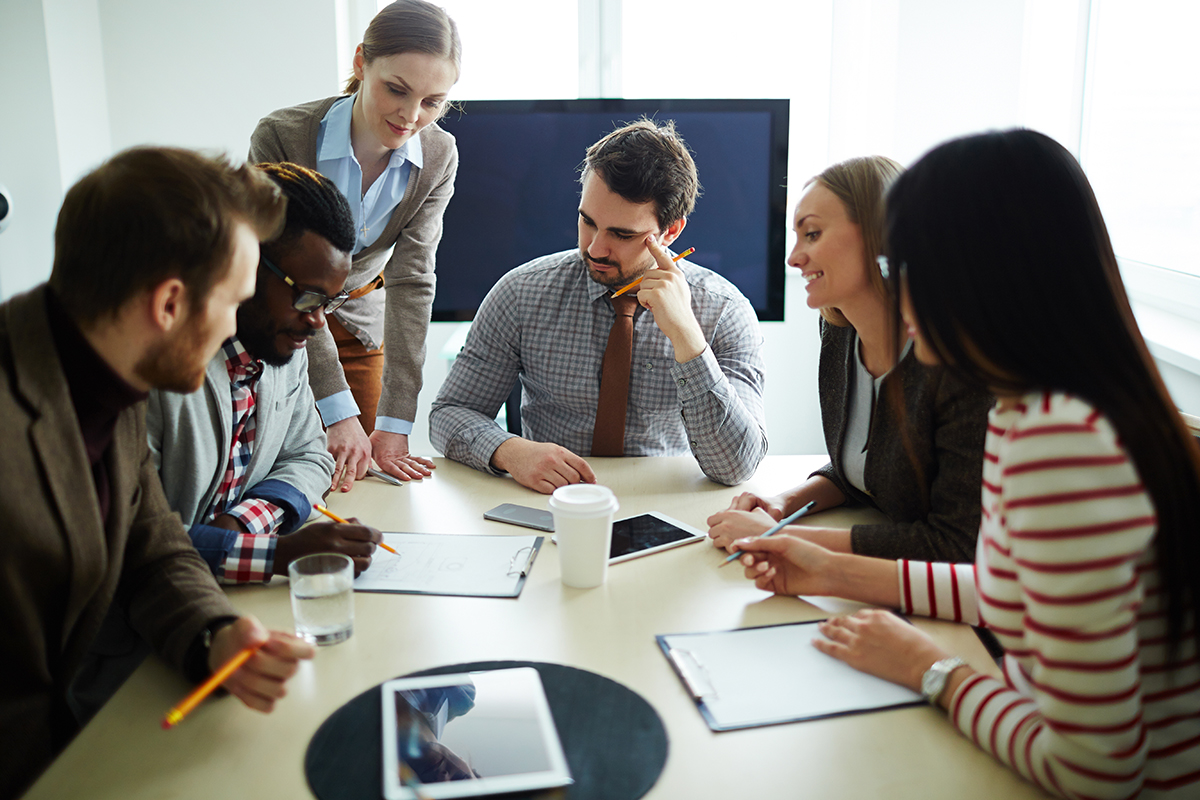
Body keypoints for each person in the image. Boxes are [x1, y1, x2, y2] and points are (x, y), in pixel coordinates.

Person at [734, 130, 1200, 797]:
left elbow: (1097, 772)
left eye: (912, 266)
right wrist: (832, 569)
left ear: (985, 276)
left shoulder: (1065, 446)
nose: (901, 289)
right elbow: (1008, 586)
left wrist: (932, 669)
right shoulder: (1026, 410)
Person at [0, 147, 315, 799]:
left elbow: (152, 542)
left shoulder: (102, 368)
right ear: (170, 303)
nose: (236, 324)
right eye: (233, 300)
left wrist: (217, 633)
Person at [428, 119, 767, 493]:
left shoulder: (724, 311)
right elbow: (449, 414)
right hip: (552, 504)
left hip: (668, 506)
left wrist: (687, 335)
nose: (595, 248)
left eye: (623, 234)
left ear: (671, 232)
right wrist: (510, 451)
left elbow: (737, 466)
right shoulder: (521, 292)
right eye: (587, 222)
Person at [707, 157, 992, 562]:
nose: (793, 258)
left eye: (812, 234)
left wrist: (791, 542)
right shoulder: (839, 333)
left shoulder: (955, 360)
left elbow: (956, 544)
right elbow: (862, 472)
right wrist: (781, 505)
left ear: (881, 234)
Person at [249, 0, 461, 492]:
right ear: (361, 62)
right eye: (397, 89)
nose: (411, 116)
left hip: (364, 325)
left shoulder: (439, 156)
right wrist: (333, 406)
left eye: (432, 102)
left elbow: (412, 280)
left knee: (361, 482)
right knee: (287, 472)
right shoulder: (282, 137)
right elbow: (281, 270)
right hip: (278, 322)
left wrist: (397, 421)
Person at [149, 162, 382, 583]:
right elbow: (129, 539)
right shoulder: (155, 370)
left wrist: (241, 529)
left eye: (328, 302)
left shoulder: (282, 349)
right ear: (243, 264)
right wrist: (272, 554)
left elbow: (310, 456)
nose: (317, 323)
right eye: (308, 297)